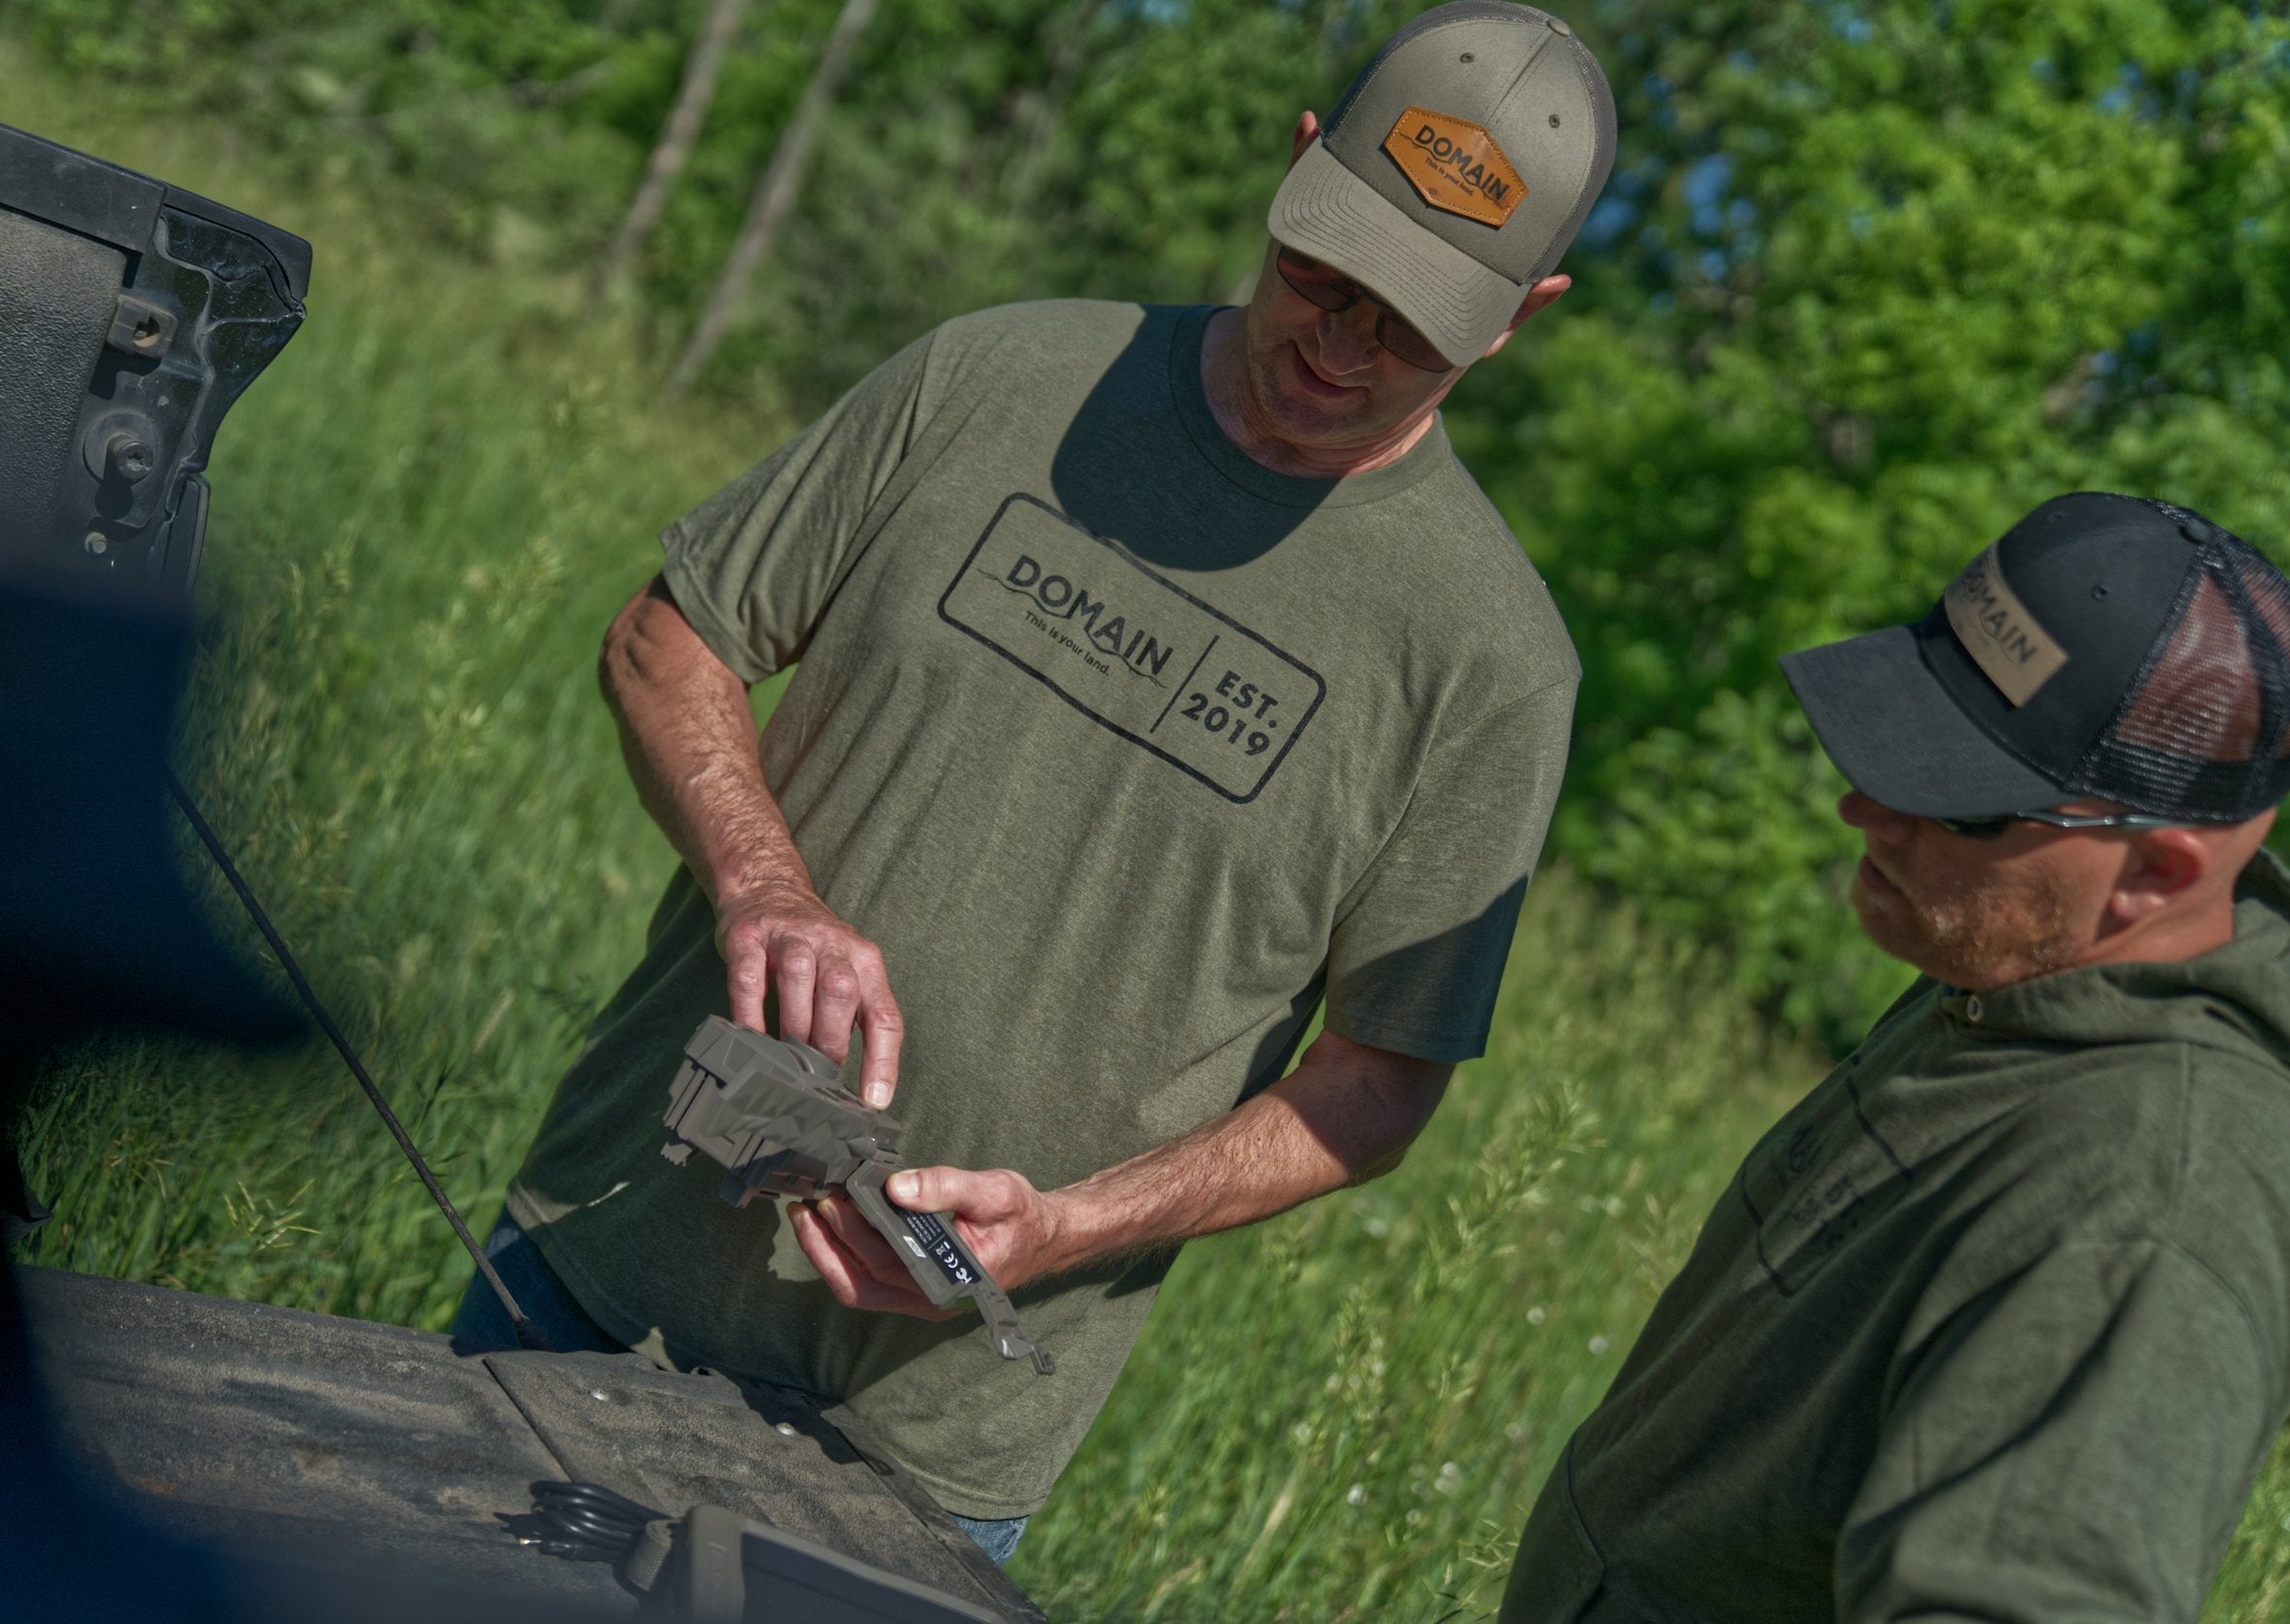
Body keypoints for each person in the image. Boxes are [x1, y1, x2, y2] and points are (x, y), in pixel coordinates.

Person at [455, 0, 1618, 1562]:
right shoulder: (1000, 373)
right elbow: (671, 638)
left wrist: (1071, 1226)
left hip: (924, 1451)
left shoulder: (1491, 664)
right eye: (1320, 272)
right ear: (1296, 168)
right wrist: (762, 880)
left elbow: (1379, 1081)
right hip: (599, 1262)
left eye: (1407, 324)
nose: (1336, 344)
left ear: (1522, 315)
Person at [1501, 492, 2290, 1622]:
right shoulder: (2014, 977)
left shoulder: (2148, 1202)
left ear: (2154, 872)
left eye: (1963, 803)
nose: (1862, 804)